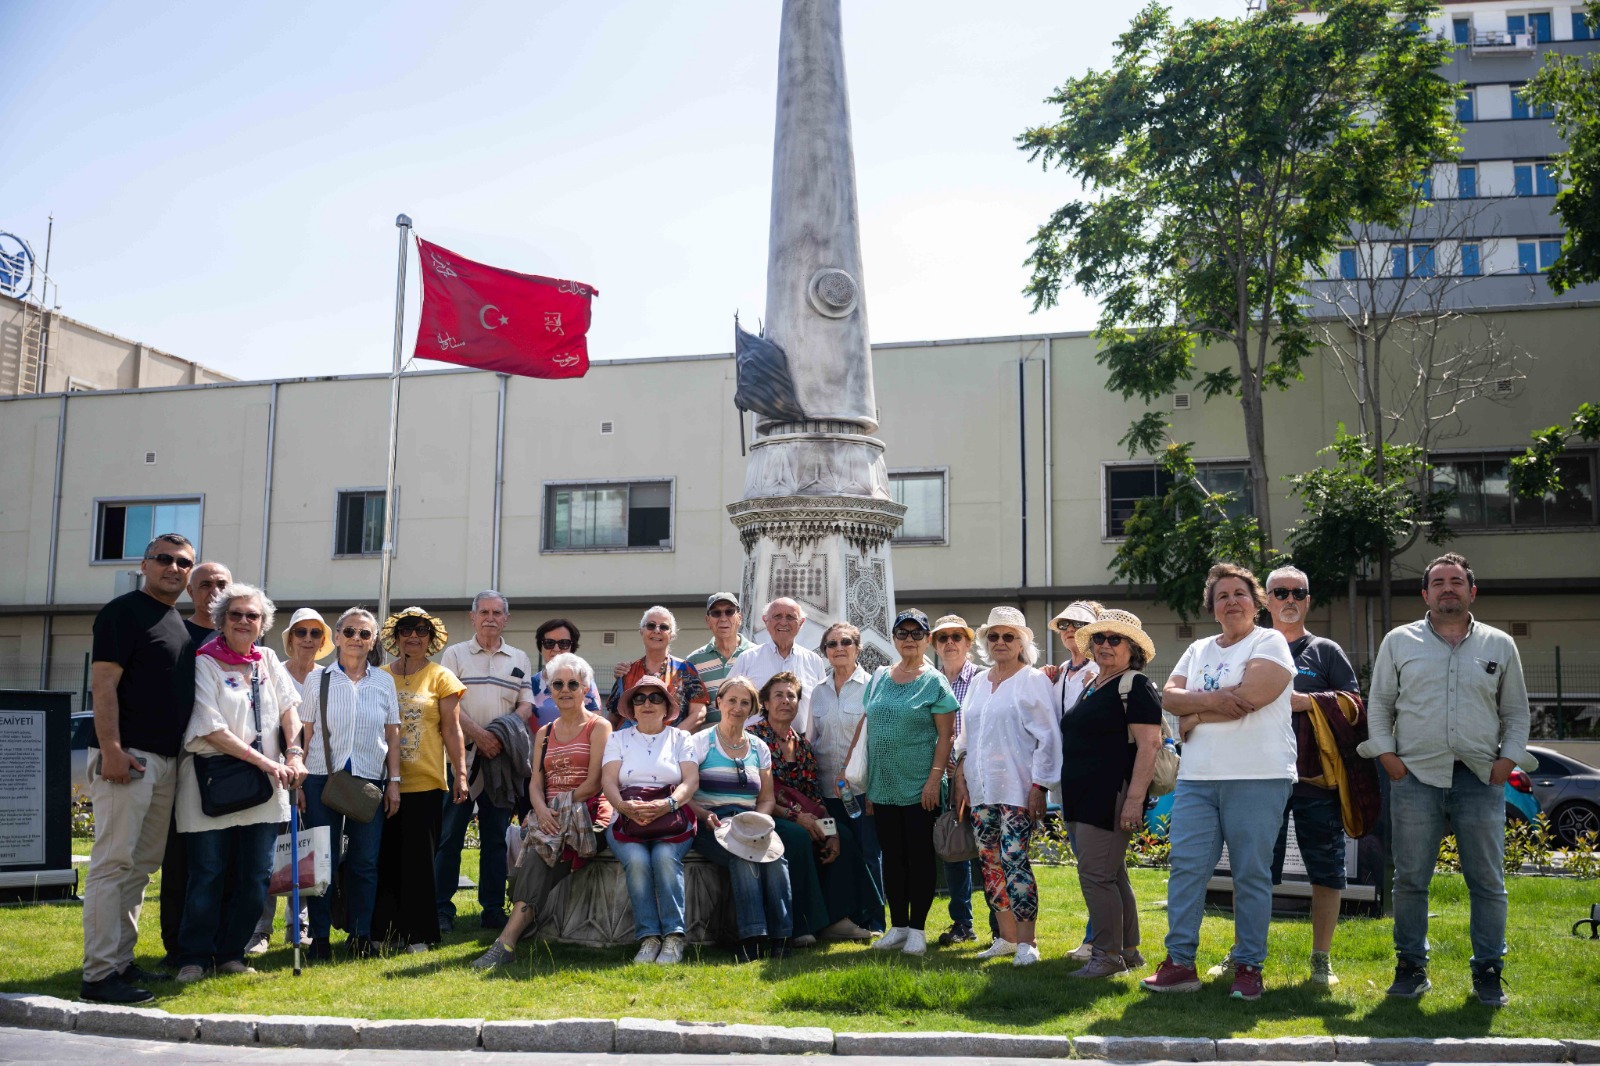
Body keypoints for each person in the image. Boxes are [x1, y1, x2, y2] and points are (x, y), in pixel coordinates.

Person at [1358, 552, 1533, 1007]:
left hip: (1480, 777)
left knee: (1487, 881)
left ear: (1472, 592)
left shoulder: (1500, 645)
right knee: (1412, 878)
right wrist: (1390, 759)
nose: (1448, 588)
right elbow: (1378, 706)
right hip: (1414, 776)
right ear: (1425, 593)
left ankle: (1489, 972)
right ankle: (1411, 967)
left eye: (1457, 581)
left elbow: (1516, 713)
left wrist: (1506, 762)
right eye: (1438, 582)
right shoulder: (1399, 642)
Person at [1142, 564, 1295, 1002]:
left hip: (1258, 775)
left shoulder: (1270, 642)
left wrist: (1194, 713)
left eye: (1240, 594)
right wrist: (1210, 703)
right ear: (1213, 607)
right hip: (1197, 778)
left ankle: (1248, 966)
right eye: (1222, 595)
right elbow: (1168, 697)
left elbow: (1251, 698)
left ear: (1256, 602)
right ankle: (1179, 963)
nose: (1231, 601)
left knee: (1250, 874)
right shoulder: (1197, 649)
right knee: (1187, 870)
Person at [81, 534, 198, 1004]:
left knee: (140, 868)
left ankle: (121, 962)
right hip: (128, 758)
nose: (174, 568)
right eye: (164, 559)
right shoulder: (122, 612)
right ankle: (98, 976)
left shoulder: (176, 621)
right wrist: (110, 747)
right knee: (113, 864)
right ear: (145, 564)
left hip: (166, 763)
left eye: (184, 562)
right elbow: (103, 684)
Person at [172, 584, 305, 982]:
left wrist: (294, 753)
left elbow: (290, 710)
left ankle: (231, 953)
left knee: (256, 877)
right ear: (221, 621)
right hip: (211, 783)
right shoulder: (203, 662)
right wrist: (268, 762)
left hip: (265, 788)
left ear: (263, 624)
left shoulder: (266, 659)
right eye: (236, 615)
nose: (244, 621)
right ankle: (193, 957)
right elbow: (210, 728)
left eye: (252, 616)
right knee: (208, 873)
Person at [1240, 565, 1363, 987]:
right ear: (1266, 601)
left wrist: (1305, 702)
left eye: (1298, 593)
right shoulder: (1249, 647)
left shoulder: (1325, 651)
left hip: (1315, 780)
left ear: (1309, 600)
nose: (1289, 600)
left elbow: (1354, 706)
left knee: (1326, 870)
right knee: (1254, 868)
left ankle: (1321, 959)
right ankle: (1245, 956)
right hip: (1259, 775)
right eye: (1280, 592)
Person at [472, 653, 613, 968]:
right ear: (549, 689)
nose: (565, 690)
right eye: (557, 684)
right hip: (551, 816)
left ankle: (505, 943)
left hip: (587, 818)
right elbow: (535, 782)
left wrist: (555, 811)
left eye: (572, 684)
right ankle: (522, 928)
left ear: (586, 688)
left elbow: (594, 783)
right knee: (537, 852)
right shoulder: (545, 732)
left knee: (539, 855)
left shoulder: (599, 727)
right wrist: (541, 810)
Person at [949, 607, 1059, 967]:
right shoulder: (980, 681)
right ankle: (1006, 938)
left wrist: (1040, 786)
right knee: (990, 863)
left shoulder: (1033, 680)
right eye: (993, 636)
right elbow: (966, 736)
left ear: (1022, 642)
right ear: (984, 641)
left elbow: (1048, 738)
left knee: (1015, 859)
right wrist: (962, 776)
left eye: (1008, 636)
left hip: (1017, 787)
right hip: (982, 789)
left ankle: (1028, 942)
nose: (1000, 642)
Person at [1056, 609, 1162, 978]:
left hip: (1110, 795)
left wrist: (1134, 800)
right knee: (1113, 874)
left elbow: (1150, 745)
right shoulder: (1093, 684)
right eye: (1098, 638)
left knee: (1095, 876)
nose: (1104, 645)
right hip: (1083, 795)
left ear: (1132, 649)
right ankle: (1128, 951)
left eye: (1114, 639)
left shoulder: (1135, 685)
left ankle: (1106, 956)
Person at [299, 608, 401, 960]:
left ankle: (360, 936)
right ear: (338, 636)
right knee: (321, 860)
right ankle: (321, 938)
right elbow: (306, 732)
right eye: (351, 632)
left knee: (365, 861)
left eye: (365, 634)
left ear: (373, 641)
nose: (357, 639)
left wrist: (395, 782)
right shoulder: (318, 679)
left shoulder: (384, 681)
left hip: (369, 778)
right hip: (319, 777)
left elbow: (393, 734)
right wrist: (298, 783)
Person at [752, 672, 879, 943]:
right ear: (764, 702)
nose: (786, 701)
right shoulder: (753, 739)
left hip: (804, 815)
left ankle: (838, 920)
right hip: (769, 816)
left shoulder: (804, 746)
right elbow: (755, 794)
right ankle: (802, 924)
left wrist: (830, 830)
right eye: (778, 695)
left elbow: (815, 797)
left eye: (792, 696)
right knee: (798, 837)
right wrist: (797, 818)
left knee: (842, 835)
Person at [860, 609, 958, 957]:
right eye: (903, 634)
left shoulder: (934, 681)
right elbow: (867, 729)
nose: (909, 640)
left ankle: (917, 929)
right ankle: (898, 924)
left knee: (919, 858)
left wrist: (934, 781)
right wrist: (868, 782)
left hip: (920, 785)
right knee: (892, 857)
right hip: (883, 785)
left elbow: (946, 737)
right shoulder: (879, 677)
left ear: (927, 639)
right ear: (894, 638)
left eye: (917, 634)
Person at [436, 591, 535, 934]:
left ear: (506, 619)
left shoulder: (519, 657)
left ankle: (492, 910)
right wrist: (480, 735)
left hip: (499, 765)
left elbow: (526, 704)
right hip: (459, 761)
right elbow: (447, 705)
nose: (490, 617)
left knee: (495, 839)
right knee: (450, 837)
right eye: (484, 612)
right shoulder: (455, 654)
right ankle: (441, 909)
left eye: (497, 612)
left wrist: (503, 733)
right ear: (472, 616)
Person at [373, 608, 468, 952]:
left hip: (426, 781)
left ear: (431, 638)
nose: (414, 636)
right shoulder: (379, 676)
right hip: (381, 781)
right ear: (395, 637)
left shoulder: (441, 677)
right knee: (384, 859)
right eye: (406, 630)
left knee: (419, 862)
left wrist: (461, 773)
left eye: (422, 630)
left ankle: (419, 935)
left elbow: (451, 728)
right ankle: (383, 933)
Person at [246, 607, 334, 955]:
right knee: (273, 855)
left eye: (315, 633)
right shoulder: (272, 673)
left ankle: (298, 925)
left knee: (309, 852)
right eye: (301, 633)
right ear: (289, 638)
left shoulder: (330, 677)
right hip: (276, 776)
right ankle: (260, 929)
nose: (308, 640)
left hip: (317, 779)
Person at [597, 673, 699, 965]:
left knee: (665, 859)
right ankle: (649, 937)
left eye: (656, 698)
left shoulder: (682, 737)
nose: (647, 704)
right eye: (639, 698)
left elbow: (690, 781)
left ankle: (674, 937)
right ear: (632, 707)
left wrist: (667, 804)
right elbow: (608, 780)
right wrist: (623, 806)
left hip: (672, 818)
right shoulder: (617, 738)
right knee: (639, 862)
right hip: (626, 817)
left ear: (667, 707)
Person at [161, 558, 234, 967]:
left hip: (230, 765)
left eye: (222, 583)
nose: (214, 591)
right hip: (183, 760)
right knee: (180, 861)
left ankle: (222, 944)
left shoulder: (240, 637)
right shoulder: (179, 633)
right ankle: (177, 947)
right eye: (205, 584)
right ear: (191, 590)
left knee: (222, 861)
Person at [689, 676, 792, 962]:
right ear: (718, 702)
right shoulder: (701, 742)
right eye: (731, 700)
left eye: (745, 702)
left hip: (750, 822)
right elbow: (684, 793)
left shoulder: (759, 748)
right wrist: (704, 814)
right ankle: (752, 938)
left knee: (776, 858)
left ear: (753, 708)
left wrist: (760, 823)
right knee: (743, 858)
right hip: (712, 823)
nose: (737, 707)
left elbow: (768, 797)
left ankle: (782, 936)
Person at [808, 621, 884, 931]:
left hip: (862, 789)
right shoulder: (818, 692)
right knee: (837, 852)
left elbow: (877, 740)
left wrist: (876, 790)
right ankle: (844, 918)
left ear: (858, 649)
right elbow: (812, 741)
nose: (839, 649)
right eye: (832, 644)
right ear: (825, 652)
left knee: (869, 852)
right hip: (827, 792)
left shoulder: (873, 688)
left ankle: (876, 921)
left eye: (846, 643)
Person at [1044, 600, 1103, 961]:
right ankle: (1104, 935)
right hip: (1068, 777)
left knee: (1097, 861)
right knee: (1088, 860)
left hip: (1095, 775)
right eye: (1064, 623)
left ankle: (1098, 937)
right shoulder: (1060, 671)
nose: (1069, 629)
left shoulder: (1101, 669)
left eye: (1078, 624)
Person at [928, 614, 983, 946]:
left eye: (956, 637)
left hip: (979, 776)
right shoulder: (929, 681)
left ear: (968, 643)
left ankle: (1000, 926)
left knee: (990, 851)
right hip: (941, 777)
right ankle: (962, 923)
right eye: (943, 637)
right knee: (954, 849)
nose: (950, 642)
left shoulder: (982, 679)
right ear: (934, 645)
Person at [730, 598, 829, 735]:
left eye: (790, 617)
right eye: (777, 616)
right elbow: (729, 703)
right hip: (754, 746)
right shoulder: (747, 659)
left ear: (801, 623)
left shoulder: (814, 661)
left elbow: (822, 708)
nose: (783, 622)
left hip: (800, 748)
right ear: (766, 621)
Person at [607, 607, 710, 732]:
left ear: (672, 635)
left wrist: (673, 740)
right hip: (630, 747)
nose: (657, 630)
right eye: (651, 625)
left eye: (664, 627)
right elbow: (612, 718)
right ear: (641, 631)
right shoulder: (626, 672)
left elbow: (699, 714)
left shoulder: (685, 670)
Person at [683, 592, 758, 729]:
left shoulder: (757, 655)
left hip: (751, 740)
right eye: (716, 613)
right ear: (708, 621)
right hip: (709, 744)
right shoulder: (693, 662)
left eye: (729, 612)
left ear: (739, 618)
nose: (723, 618)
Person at [528, 618, 603, 728]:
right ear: (541, 648)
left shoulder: (584, 680)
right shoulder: (530, 684)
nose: (556, 648)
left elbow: (595, 721)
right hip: (537, 744)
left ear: (571, 647)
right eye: (549, 643)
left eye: (563, 643)